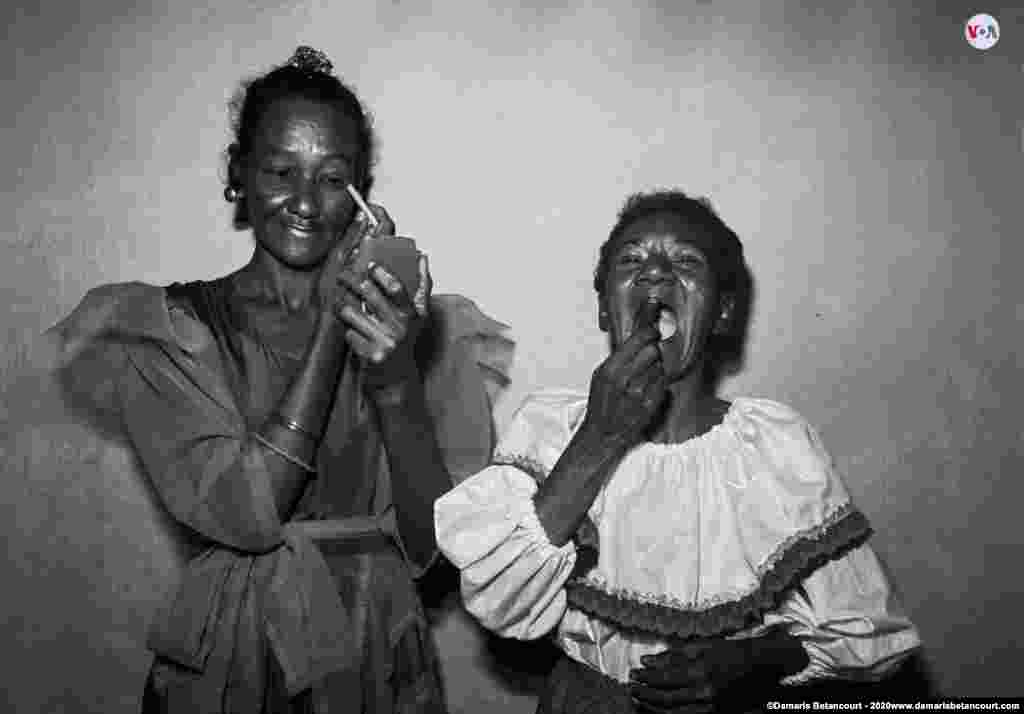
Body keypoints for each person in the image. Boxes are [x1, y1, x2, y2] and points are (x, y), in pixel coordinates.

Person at [45, 46, 512, 713]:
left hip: (374, 647)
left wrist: (396, 378)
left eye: (330, 178)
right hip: (233, 658)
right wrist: (331, 322)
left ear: (361, 195)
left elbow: (433, 548)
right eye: (279, 171)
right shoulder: (175, 330)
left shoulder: (411, 328)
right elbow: (249, 514)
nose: (304, 201)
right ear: (238, 177)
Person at [435, 190, 921, 713]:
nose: (656, 274)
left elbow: (870, 633)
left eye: (686, 261)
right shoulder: (550, 430)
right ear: (604, 308)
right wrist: (600, 433)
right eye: (632, 260)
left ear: (724, 312)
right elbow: (503, 602)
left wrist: (755, 658)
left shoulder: (773, 447)